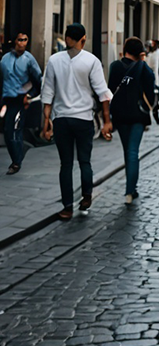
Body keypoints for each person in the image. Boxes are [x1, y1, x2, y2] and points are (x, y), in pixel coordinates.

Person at [41, 23, 113, 220]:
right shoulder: (91, 61)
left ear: (66, 38)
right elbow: (102, 94)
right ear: (84, 38)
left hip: (62, 119)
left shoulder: (54, 60)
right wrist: (106, 121)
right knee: (84, 161)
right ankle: (86, 195)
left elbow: (47, 94)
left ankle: (67, 207)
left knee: (65, 164)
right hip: (83, 119)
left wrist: (46, 122)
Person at [109, 37, 156, 205]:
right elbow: (151, 93)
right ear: (140, 53)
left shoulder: (115, 67)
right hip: (138, 115)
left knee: (126, 150)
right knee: (133, 151)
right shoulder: (144, 69)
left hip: (120, 115)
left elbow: (109, 90)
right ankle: (130, 190)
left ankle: (131, 187)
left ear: (125, 50)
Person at [0, 31, 42, 174]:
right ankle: (18, 155)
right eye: (20, 40)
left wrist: (29, 95)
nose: (22, 43)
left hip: (20, 100)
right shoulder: (5, 59)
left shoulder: (29, 60)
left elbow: (38, 81)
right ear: (15, 41)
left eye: (25, 40)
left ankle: (16, 163)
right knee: (7, 131)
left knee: (15, 130)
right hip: (7, 100)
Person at [145, 40, 159, 123]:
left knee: (155, 100)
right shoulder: (149, 55)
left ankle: (155, 113)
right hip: (152, 81)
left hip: (155, 80)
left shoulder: (157, 54)